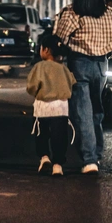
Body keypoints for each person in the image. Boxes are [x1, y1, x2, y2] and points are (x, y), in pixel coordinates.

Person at [54, 0, 112, 174]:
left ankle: (89, 159)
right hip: (101, 67)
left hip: (79, 64)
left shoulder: (72, 13)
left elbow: (59, 41)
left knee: (82, 112)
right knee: (96, 110)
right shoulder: (108, 14)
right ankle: (96, 153)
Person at [26, 33, 75, 176]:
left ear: (46, 50)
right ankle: (58, 165)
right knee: (59, 136)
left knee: (42, 134)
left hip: (43, 107)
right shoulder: (63, 68)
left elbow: (32, 87)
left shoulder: (39, 67)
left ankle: (44, 157)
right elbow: (72, 83)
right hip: (61, 107)